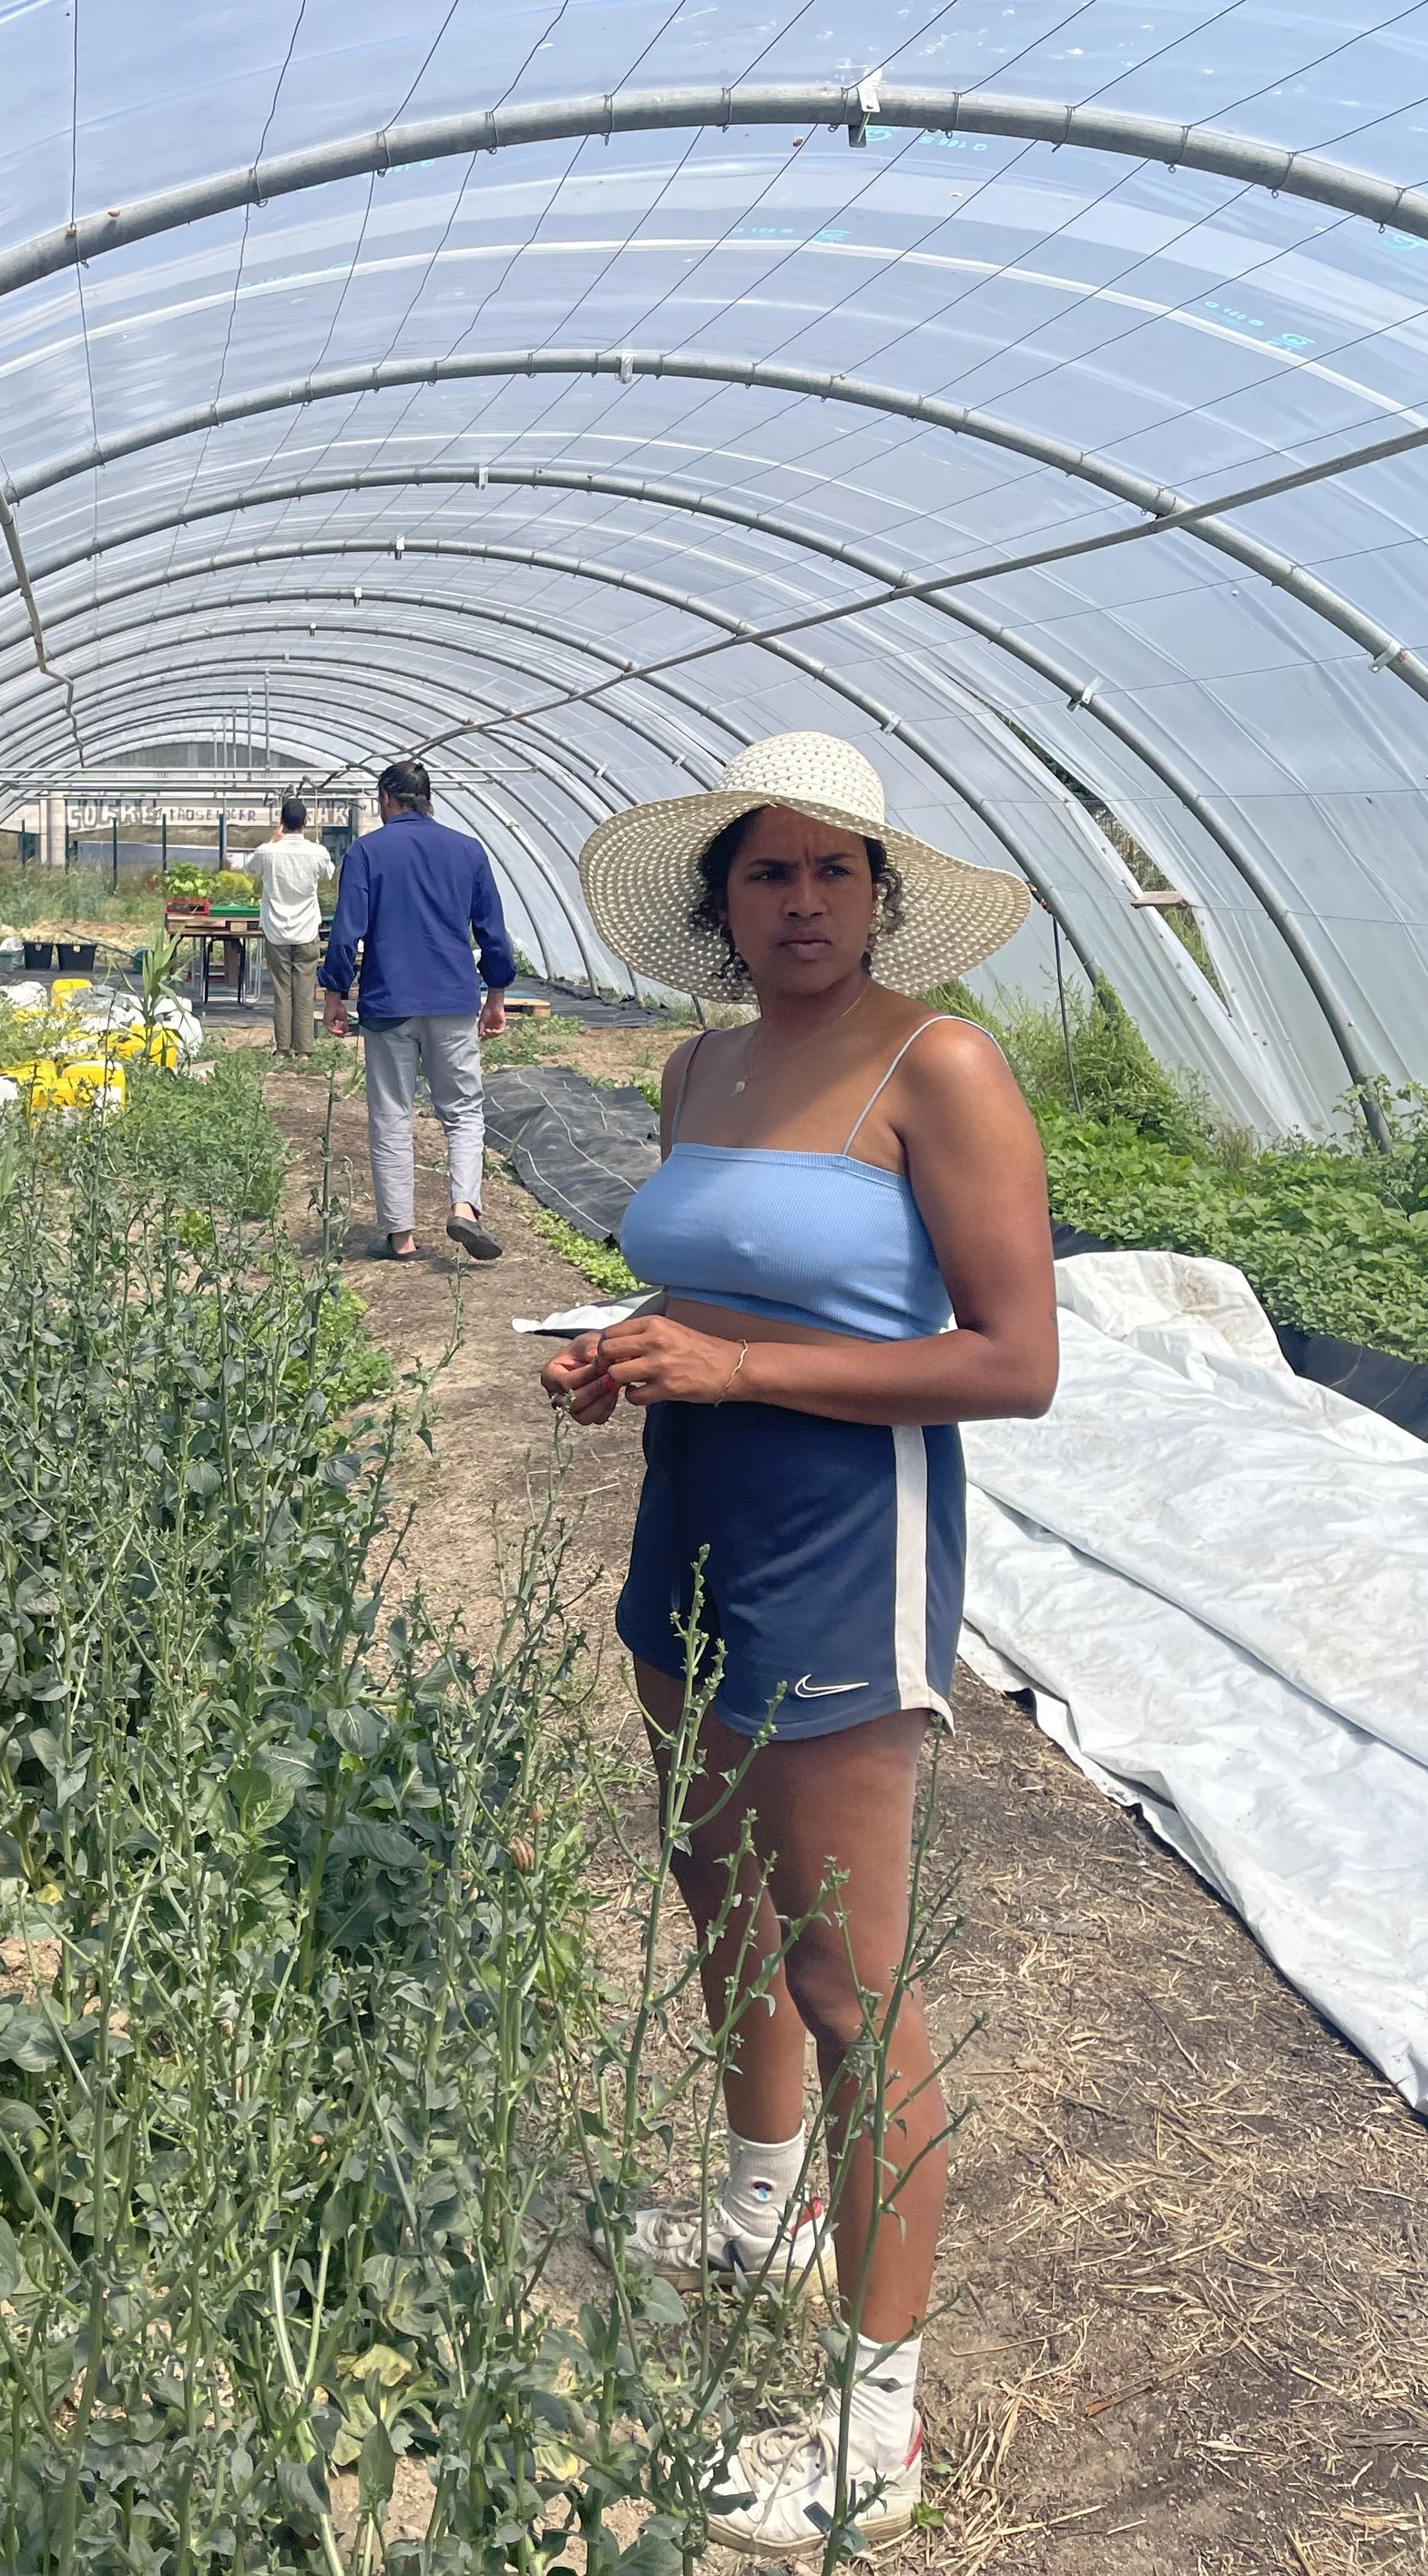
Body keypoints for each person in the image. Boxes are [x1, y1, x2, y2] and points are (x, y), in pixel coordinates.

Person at [543, 731, 1056, 2560]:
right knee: (716, 1890)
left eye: (835, 869)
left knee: (849, 1976)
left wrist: (743, 1365)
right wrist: (619, 1344)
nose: (803, 900)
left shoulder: (940, 1065)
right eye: (766, 872)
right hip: (690, 1518)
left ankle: (873, 2413)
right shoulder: (701, 1061)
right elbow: (706, 1284)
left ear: (877, 891)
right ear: (717, 903)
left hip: (844, 1543)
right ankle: (762, 2210)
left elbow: (1011, 1356)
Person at [319, 758, 515, 1262]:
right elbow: (491, 930)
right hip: (452, 999)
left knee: (391, 1115)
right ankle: (466, 1208)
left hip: (390, 1002)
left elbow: (346, 930)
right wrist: (495, 994)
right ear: (428, 799)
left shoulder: (367, 851)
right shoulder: (467, 851)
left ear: (386, 797)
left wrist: (334, 993)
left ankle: (401, 1236)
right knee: (464, 1111)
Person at [247, 796, 335, 1058]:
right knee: (305, 990)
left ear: (282, 823)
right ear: (306, 822)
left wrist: (272, 839)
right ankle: (305, 1049)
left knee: (282, 990)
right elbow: (328, 873)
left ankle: (283, 1048)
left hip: (276, 930)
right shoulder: (316, 852)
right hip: (306, 928)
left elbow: (251, 867)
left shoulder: (268, 852)